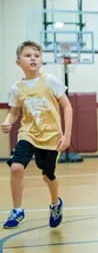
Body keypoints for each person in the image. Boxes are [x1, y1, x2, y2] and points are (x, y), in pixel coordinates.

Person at [1, 41, 73, 229]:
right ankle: (17, 210)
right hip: (28, 134)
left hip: (51, 137)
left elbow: (67, 106)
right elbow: (14, 112)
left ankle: (55, 204)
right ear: (18, 63)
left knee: (48, 176)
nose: (33, 58)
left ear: (41, 61)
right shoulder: (17, 88)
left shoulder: (50, 81)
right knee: (16, 168)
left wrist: (67, 135)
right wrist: (8, 122)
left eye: (36, 55)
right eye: (27, 55)